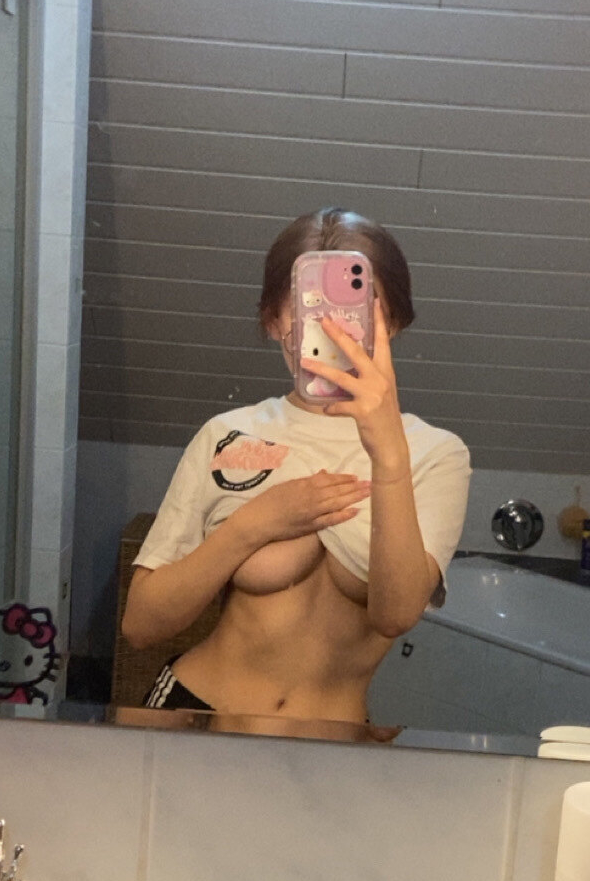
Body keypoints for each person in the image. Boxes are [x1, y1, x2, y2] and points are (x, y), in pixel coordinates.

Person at [122, 208, 471, 725]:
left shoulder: (434, 453)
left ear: (392, 322)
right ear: (273, 321)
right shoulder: (228, 434)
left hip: (327, 744)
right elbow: (141, 624)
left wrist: (389, 455)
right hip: (190, 715)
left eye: (353, 309)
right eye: (307, 307)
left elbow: (395, 614)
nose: (329, 328)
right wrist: (254, 525)